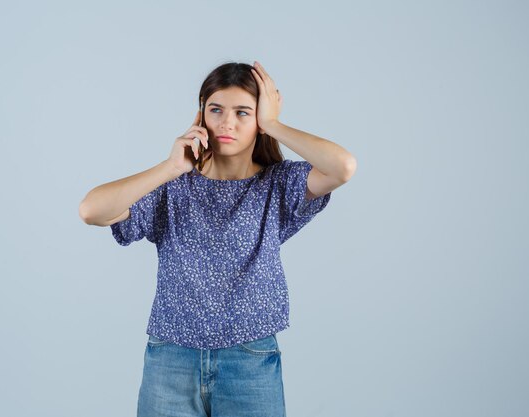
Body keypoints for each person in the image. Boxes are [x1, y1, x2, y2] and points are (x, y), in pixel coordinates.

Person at [79, 60, 356, 417]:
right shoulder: (172, 186)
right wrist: (171, 167)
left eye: (243, 112)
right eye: (216, 110)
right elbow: (91, 210)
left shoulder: (278, 185)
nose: (227, 122)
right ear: (200, 116)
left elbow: (343, 166)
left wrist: (273, 123)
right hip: (171, 359)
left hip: (250, 360)